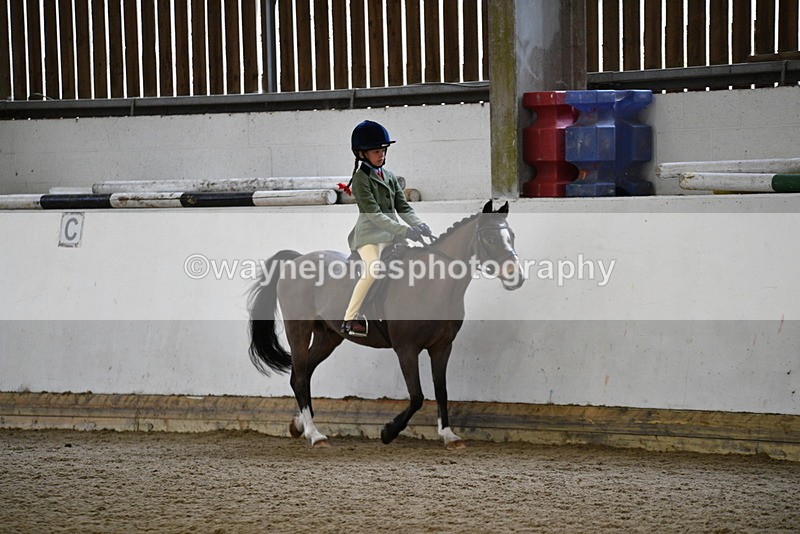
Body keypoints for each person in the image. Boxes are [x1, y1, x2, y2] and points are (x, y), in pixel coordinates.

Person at [340, 120, 432, 337]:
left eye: (383, 150)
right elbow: (375, 215)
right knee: (373, 270)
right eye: (376, 151)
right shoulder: (361, 180)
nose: (381, 155)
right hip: (370, 237)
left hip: (392, 236)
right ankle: (350, 319)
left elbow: (403, 207)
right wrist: (405, 231)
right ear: (362, 154)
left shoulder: (389, 176)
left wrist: (419, 225)